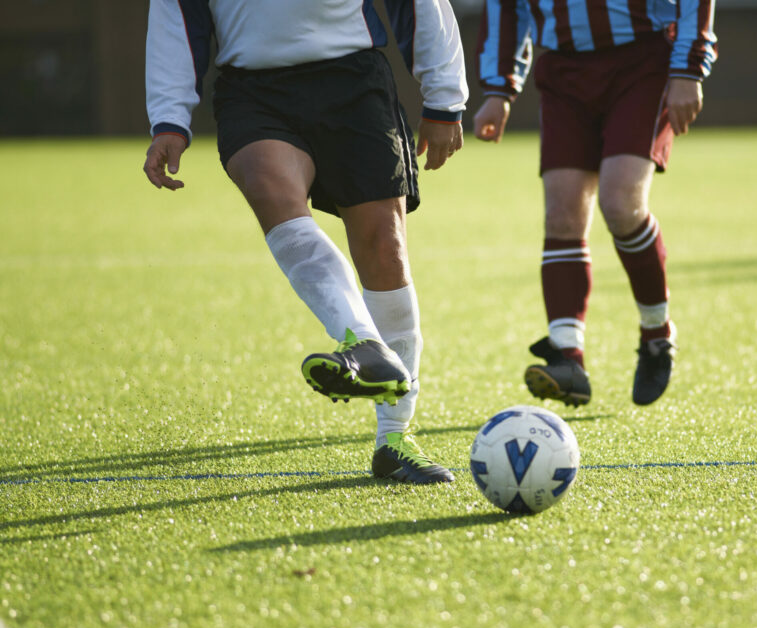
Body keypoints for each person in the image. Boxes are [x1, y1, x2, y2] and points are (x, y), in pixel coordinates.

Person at [143, 0, 468, 484]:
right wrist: (169, 118)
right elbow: (175, 16)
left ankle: (394, 438)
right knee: (273, 193)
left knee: (384, 250)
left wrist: (444, 97)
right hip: (253, 92)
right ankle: (364, 342)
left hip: (353, 82)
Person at [474, 0, 717, 407]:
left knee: (621, 204)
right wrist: (498, 88)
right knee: (561, 214)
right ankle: (568, 356)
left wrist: (688, 69)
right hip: (564, 69)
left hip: (642, 60)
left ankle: (656, 334)